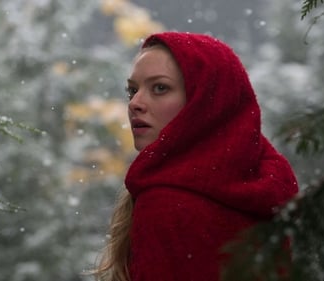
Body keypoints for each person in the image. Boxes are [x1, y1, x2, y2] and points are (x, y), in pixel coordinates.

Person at [93, 31, 298, 281]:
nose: (135, 102)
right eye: (132, 90)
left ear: (204, 103)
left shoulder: (167, 204)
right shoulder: (271, 187)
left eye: (160, 88)